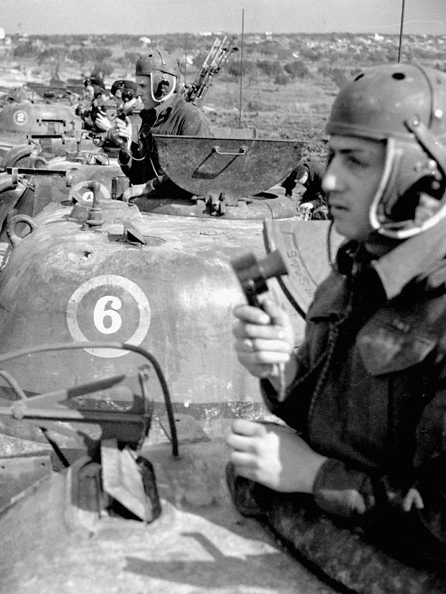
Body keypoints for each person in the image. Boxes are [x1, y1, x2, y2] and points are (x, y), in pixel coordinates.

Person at [227, 62, 446, 572]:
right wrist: (283, 368)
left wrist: (314, 476)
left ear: (419, 179)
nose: (329, 179)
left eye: (357, 161)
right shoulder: (357, 267)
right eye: (332, 155)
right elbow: (344, 423)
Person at [105, 49, 213, 201]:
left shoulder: (190, 118)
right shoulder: (148, 118)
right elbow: (138, 178)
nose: (138, 93)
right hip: (154, 207)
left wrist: (148, 187)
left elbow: (191, 173)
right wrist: (125, 148)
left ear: (162, 86)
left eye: (143, 86)